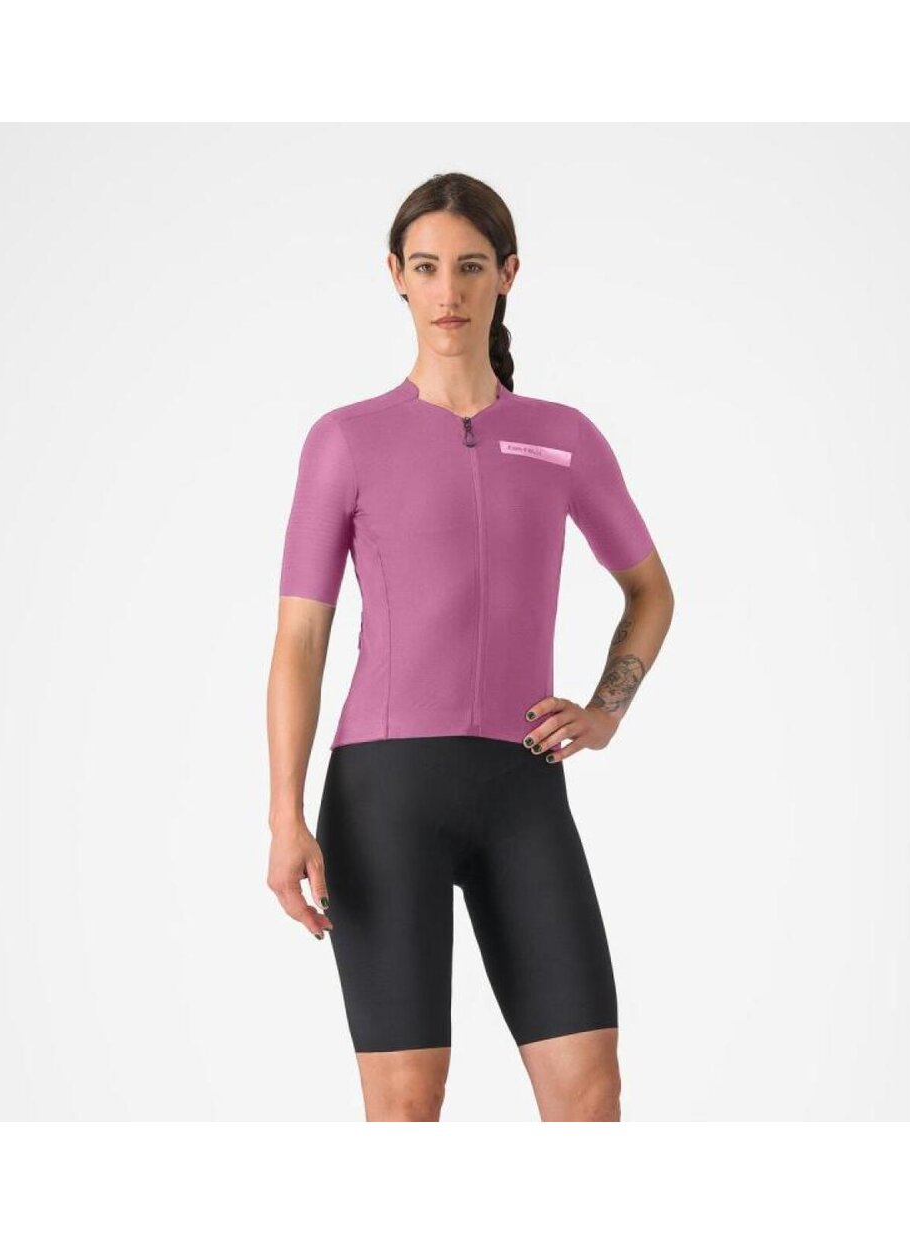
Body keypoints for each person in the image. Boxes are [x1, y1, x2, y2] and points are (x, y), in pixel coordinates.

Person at [265, 172, 674, 1122]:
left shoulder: (563, 438)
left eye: (471, 267)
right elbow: (300, 639)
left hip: (522, 790)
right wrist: (285, 814)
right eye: (426, 267)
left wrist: (606, 710)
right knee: (407, 1106)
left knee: (590, 1092)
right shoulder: (345, 440)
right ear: (396, 277)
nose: (448, 291)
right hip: (384, 797)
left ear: (508, 274)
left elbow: (650, 590)